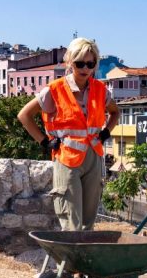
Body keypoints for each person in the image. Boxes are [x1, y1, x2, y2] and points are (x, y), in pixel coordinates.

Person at [17, 38, 119, 231]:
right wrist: (44, 142)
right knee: (72, 222)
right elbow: (24, 115)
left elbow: (115, 112)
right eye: (80, 63)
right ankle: (72, 252)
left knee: (88, 221)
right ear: (70, 62)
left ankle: (85, 251)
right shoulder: (55, 89)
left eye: (90, 64)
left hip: (93, 157)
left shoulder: (100, 89)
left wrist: (106, 132)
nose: (85, 68)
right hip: (67, 158)